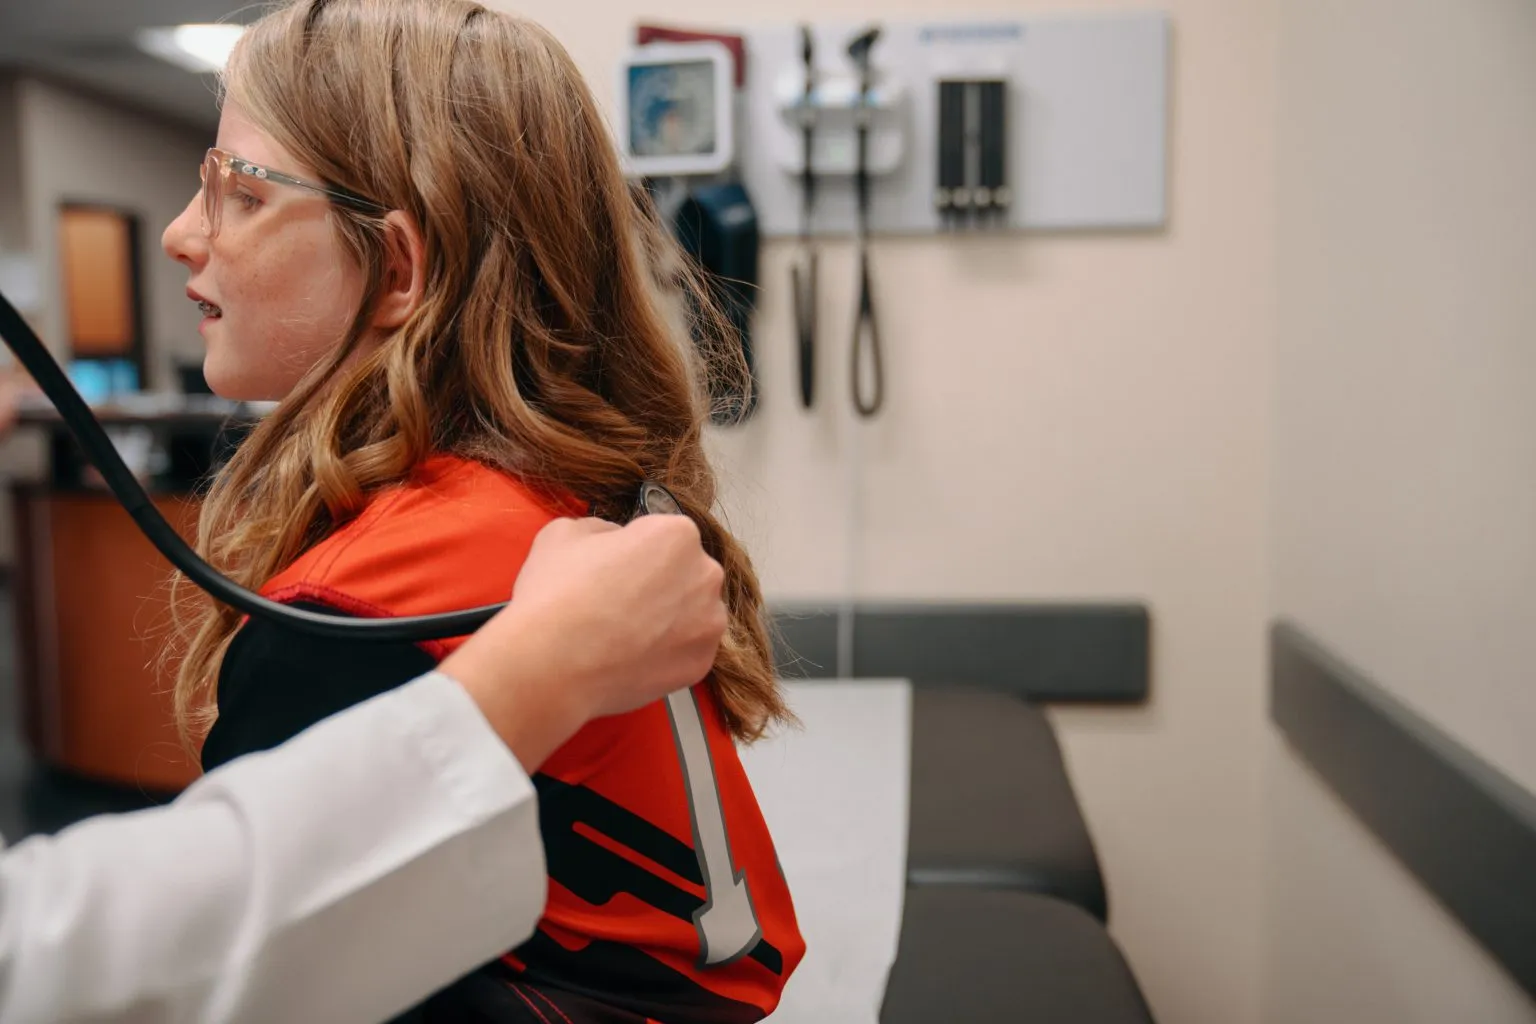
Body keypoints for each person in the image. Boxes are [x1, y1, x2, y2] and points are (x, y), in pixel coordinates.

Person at [159, 1, 804, 1022]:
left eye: (236, 190)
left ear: (400, 268)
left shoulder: (357, 616)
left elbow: (220, 978)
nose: (180, 234)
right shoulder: (564, 497)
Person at [0, 510, 733, 1024]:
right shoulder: (588, 522)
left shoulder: (345, 602)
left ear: (398, 280)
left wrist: (536, 675)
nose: (183, 273)